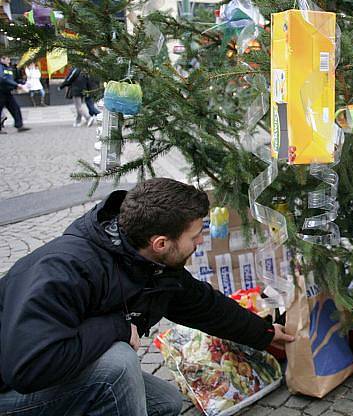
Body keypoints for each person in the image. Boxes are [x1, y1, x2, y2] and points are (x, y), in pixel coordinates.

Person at [0, 177, 294, 415]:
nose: (201, 241)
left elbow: (204, 305)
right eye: (194, 236)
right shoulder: (64, 270)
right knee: (118, 363)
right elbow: (29, 367)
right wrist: (116, 327)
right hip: (11, 391)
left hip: (53, 372)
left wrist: (266, 333)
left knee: (165, 403)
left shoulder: (152, 264)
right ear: (161, 243)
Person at [0, 55, 30, 133]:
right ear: (1, 59)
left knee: (15, 108)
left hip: (7, 92)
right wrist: (16, 85)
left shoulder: (8, 68)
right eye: (7, 59)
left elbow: (12, 79)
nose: (9, 61)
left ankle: (19, 125)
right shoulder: (0, 67)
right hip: (1, 92)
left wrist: (22, 83)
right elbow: (2, 79)